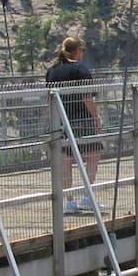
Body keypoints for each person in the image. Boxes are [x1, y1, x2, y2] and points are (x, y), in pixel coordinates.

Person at [46, 37, 102, 215]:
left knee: (66, 160)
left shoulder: (52, 71)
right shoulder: (80, 69)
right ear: (77, 51)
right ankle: (87, 196)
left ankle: (69, 201)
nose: (83, 54)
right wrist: (96, 118)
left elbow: (50, 99)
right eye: (82, 50)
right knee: (93, 153)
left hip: (63, 119)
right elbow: (87, 97)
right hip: (82, 119)